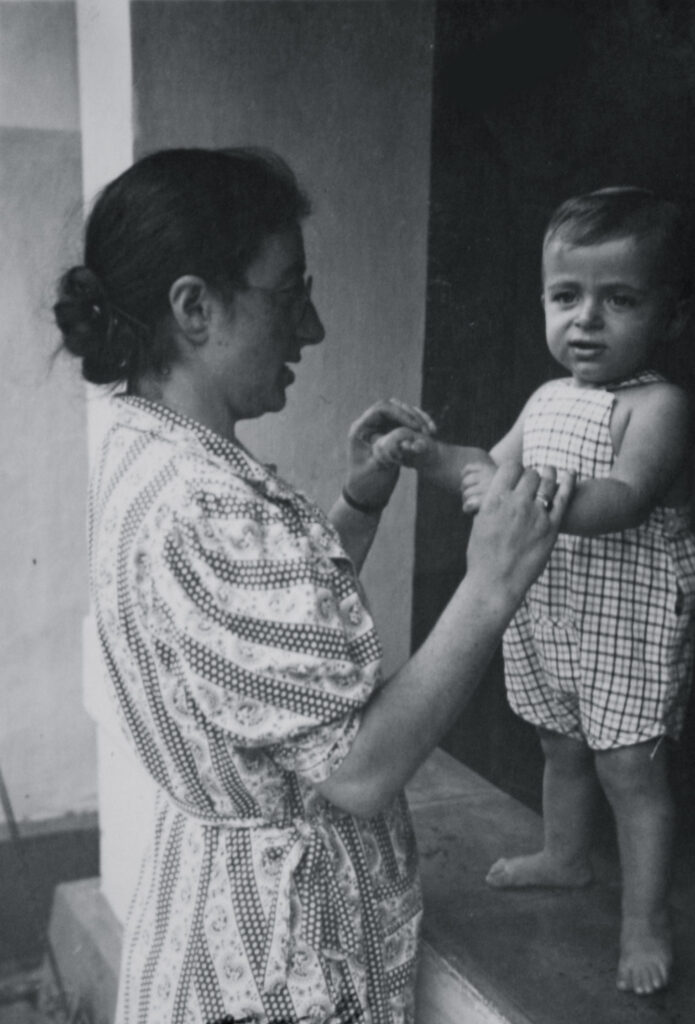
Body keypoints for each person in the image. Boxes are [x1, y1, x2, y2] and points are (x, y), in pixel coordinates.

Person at [54, 147, 572, 1024]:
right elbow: (360, 771)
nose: (314, 327)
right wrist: (492, 582)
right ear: (194, 308)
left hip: (220, 930)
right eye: (289, 293)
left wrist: (358, 506)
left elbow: (255, 657)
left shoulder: (150, 450)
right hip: (274, 970)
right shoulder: (209, 505)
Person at [374, 187, 695, 998]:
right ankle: (564, 854)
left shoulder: (658, 406)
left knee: (629, 768)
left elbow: (626, 496)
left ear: (670, 314)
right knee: (560, 743)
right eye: (564, 297)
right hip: (555, 608)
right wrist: (428, 455)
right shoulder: (548, 399)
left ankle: (644, 920)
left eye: (618, 299)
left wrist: (525, 500)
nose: (585, 319)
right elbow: (489, 465)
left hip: (626, 616)